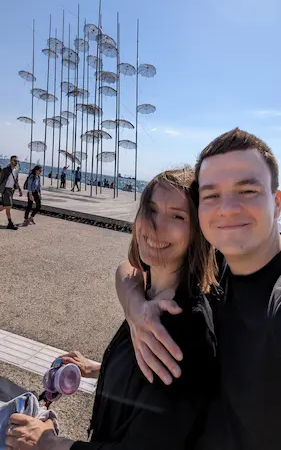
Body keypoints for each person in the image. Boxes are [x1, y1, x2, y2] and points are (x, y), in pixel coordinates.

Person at [6, 167, 218, 450]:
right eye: (151, 209)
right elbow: (146, 378)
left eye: (177, 216)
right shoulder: (148, 292)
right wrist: (98, 368)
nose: (155, 225)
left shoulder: (186, 329)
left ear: (198, 232)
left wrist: (48, 442)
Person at [115, 128, 281, 450]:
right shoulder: (224, 268)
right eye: (211, 195)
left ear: (276, 203)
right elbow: (130, 269)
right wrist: (136, 309)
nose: (226, 208)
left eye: (247, 191)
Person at [0, 155, 22, 230]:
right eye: (14, 160)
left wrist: (19, 189)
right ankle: (11, 223)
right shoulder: (5, 170)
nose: (16, 162)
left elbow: (16, 181)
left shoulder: (16, 171)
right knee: (9, 205)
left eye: (17, 161)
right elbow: (1, 180)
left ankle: (10, 223)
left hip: (11, 190)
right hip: (5, 190)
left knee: (8, 208)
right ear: (10, 161)